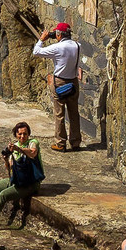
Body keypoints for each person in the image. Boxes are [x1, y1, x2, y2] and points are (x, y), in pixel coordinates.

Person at [31, 19, 82, 151]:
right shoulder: (77, 45)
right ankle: (75, 142)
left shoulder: (57, 47)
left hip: (60, 82)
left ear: (59, 35)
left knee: (59, 114)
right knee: (74, 113)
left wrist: (42, 39)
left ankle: (60, 143)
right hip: (73, 82)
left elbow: (36, 52)